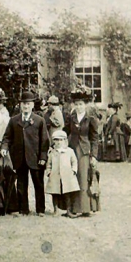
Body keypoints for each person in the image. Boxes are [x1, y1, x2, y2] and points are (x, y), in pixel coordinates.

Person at [0, 91, 50, 216]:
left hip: (35, 158)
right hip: (20, 158)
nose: (25, 106)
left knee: (38, 183)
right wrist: (4, 147)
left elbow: (45, 141)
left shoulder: (39, 121)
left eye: (28, 104)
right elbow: (7, 137)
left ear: (32, 105)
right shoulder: (14, 120)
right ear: (20, 106)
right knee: (21, 184)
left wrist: (43, 157)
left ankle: (40, 209)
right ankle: (23, 209)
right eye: (23, 104)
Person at [63, 88, 99, 218]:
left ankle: (85, 208)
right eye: (76, 104)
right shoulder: (71, 118)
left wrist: (94, 155)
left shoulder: (90, 118)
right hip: (72, 149)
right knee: (72, 177)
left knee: (83, 178)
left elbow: (95, 138)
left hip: (84, 150)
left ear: (86, 105)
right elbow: (65, 131)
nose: (78, 107)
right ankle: (72, 207)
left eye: (81, 104)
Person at [45, 131, 80, 217]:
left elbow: (74, 161)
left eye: (60, 140)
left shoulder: (69, 151)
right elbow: (49, 164)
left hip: (67, 176)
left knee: (67, 193)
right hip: (55, 176)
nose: (58, 142)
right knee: (55, 193)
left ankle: (69, 210)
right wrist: (49, 172)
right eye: (56, 140)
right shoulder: (52, 153)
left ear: (65, 141)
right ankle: (56, 210)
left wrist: (74, 170)